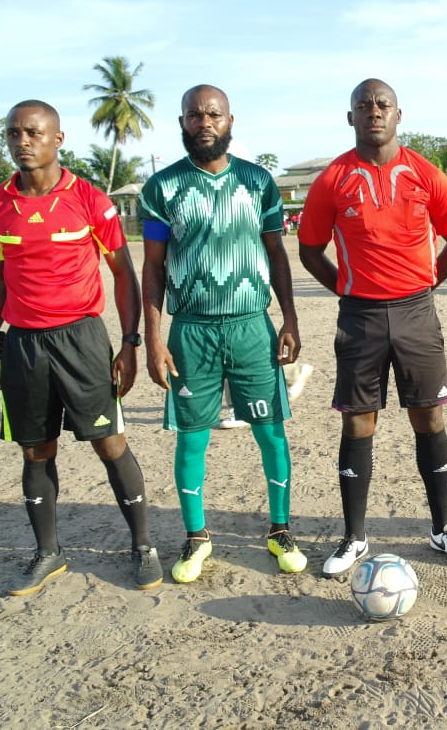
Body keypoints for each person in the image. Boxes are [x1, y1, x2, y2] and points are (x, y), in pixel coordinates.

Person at [0, 99, 160, 595]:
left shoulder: (89, 199)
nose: (22, 142)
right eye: (14, 133)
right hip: (23, 346)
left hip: (81, 339)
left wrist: (128, 342)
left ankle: (143, 546)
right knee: (35, 452)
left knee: (110, 443)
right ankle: (48, 553)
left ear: (58, 138)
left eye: (33, 132)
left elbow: (123, 274)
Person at [299, 78, 447, 577]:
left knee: (429, 417)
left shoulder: (424, 172)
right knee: (359, 421)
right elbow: (309, 248)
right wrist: (345, 288)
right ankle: (354, 537)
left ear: (399, 114)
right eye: (364, 105)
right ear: (350, 116)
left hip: (416, 312)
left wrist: (427, 283)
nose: (374, 112)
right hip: (359, 316)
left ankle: (442, 529)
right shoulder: (333, 179)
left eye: (383, 105)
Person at [141, 84, 307, 583]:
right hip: (191, 331)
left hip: (251, 326)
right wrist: (153, 337)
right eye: (194, 115)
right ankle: (196, 538)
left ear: (231, 121)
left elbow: (276, 253)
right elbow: (152, 268)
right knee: (191, 439)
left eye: (213, 114)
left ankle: (280, 530)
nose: (204, 122)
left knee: (270, 432)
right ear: (182, 123)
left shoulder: (259, 183)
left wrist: (290, 317)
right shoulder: (162, 188)